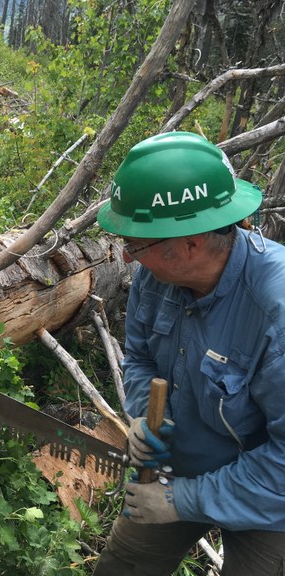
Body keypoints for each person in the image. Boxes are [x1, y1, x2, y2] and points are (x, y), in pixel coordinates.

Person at [93, 131, 285, 575]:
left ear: (190, 245)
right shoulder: (157, 275)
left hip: (270, 498)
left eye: (135, 245)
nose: (128, 257)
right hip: (174, 470)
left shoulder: (275, 311)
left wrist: (183, 501)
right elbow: (140, 356)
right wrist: (143, 415)